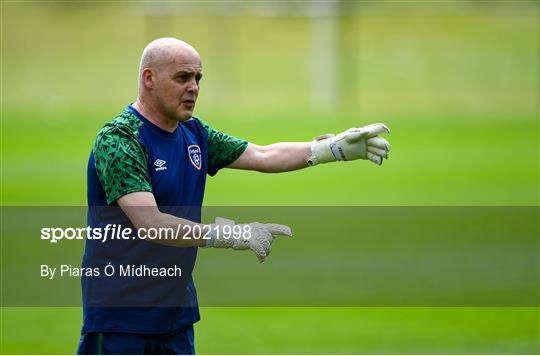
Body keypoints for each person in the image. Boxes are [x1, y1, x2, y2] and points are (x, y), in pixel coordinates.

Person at [78, 37, 390, 354]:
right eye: (182, 77)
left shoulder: (194, 133)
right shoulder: (120, 139)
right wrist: (231, 234)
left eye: (198, 78)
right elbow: (150, 222)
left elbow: (263, 154)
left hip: (174, 315)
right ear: (149, 78)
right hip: (120, 318)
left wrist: (330, 149)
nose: (194, 88)